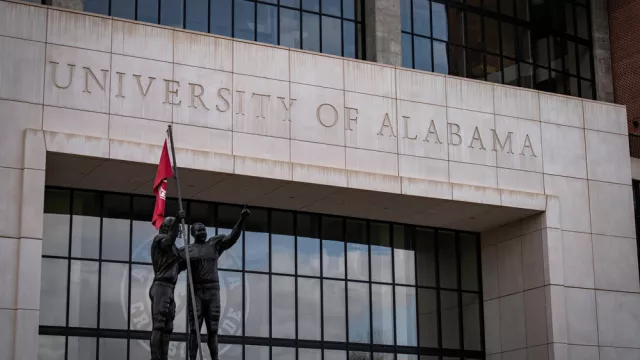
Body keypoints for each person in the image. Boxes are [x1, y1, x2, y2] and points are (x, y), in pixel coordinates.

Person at [185, 206, 251, 360]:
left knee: (213, 329)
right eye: (199, 230)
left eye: (204, 229)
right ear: (193, 233)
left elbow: (232, 237)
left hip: (212, 291)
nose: (202, 232)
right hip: (196, 292)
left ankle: (215, 358)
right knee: (195, 328)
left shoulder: (214, 244)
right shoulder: (187, 251)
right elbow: (173, 265)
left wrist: (242, 220)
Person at [149, 211, 186, 360]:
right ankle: (155, 357)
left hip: (170, 289)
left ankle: (163, 357)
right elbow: (169, 241)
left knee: (168, 327)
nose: (177, 232)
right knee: (159, 325)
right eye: (174, 228)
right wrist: (178, 220)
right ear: (168, 228)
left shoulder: (174, 250)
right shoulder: (160, 240)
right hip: (161, 287)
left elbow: (178, 266)